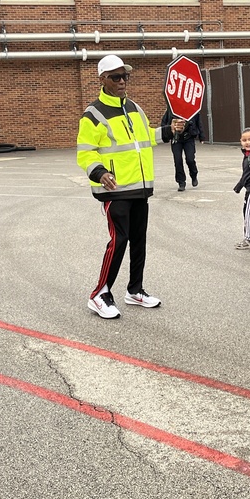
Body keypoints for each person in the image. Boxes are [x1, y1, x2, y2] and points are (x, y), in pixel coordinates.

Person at [76, 54, 185, 319]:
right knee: (119, 240)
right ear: (103, 79)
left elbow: (145, 137)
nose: (123, 80)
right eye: (116, 76)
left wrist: (169, 130)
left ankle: (135, 290)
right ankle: (100, 294)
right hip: (115, 189)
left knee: (139, 241)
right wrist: (99, 172)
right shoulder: (93, 115)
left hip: (140, 188)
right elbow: (85, 153)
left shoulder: (133, 108)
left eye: (125, 75)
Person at [161, 107, 203, 191]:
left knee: (190, 159)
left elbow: (199, 122)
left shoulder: (191, 109)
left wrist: (202, 136)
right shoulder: (171, 110)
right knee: (178, 161)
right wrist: (167, 134)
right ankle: (181, 182)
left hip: (189, 138)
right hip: (176, 139)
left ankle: (194, 174)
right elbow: (164, 124)